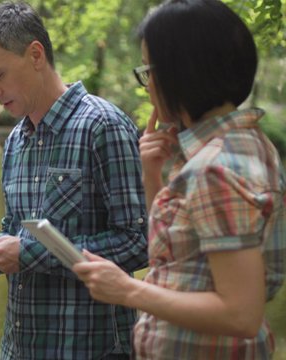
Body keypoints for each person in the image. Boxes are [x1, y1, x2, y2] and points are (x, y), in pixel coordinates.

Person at [72, 0, 286, 358]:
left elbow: (241, 314)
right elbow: (182, 256)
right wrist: (153, 174)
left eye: (149, 71)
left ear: (181, 72)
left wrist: (126, 290)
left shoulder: (215, 168)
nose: (147, 86)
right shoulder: (248, 143)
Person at [0, 2, 149, 359]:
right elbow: (16, 235)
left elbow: (138, 243)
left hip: (91, 348)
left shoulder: (103, 126)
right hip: (20, 349)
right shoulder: (15, 140)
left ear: (35, 55)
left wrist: (28, 253)